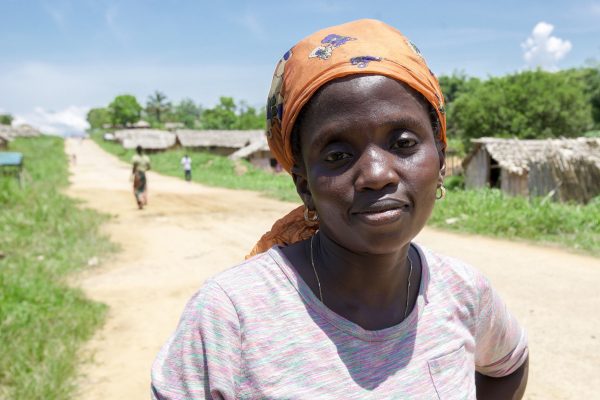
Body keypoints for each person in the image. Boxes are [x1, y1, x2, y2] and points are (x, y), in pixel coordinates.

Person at [151, 19, 528, 399]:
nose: (376, 175)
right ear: (304, 186)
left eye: (403, 143)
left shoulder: (464, 291)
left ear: (441, 159)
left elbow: (508, 366)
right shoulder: (229, 316)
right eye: (338, 155)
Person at [131, 145, 150, 209]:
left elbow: (134, 167)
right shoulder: (146, 158)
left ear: (136, 150)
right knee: (144, 188)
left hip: (137, 174)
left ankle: (140, 200)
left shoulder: (135, 158)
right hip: (143, 174)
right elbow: (149, 167)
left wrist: (132, 174)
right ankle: (144, 198)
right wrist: (144, 169)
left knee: (136, 189)